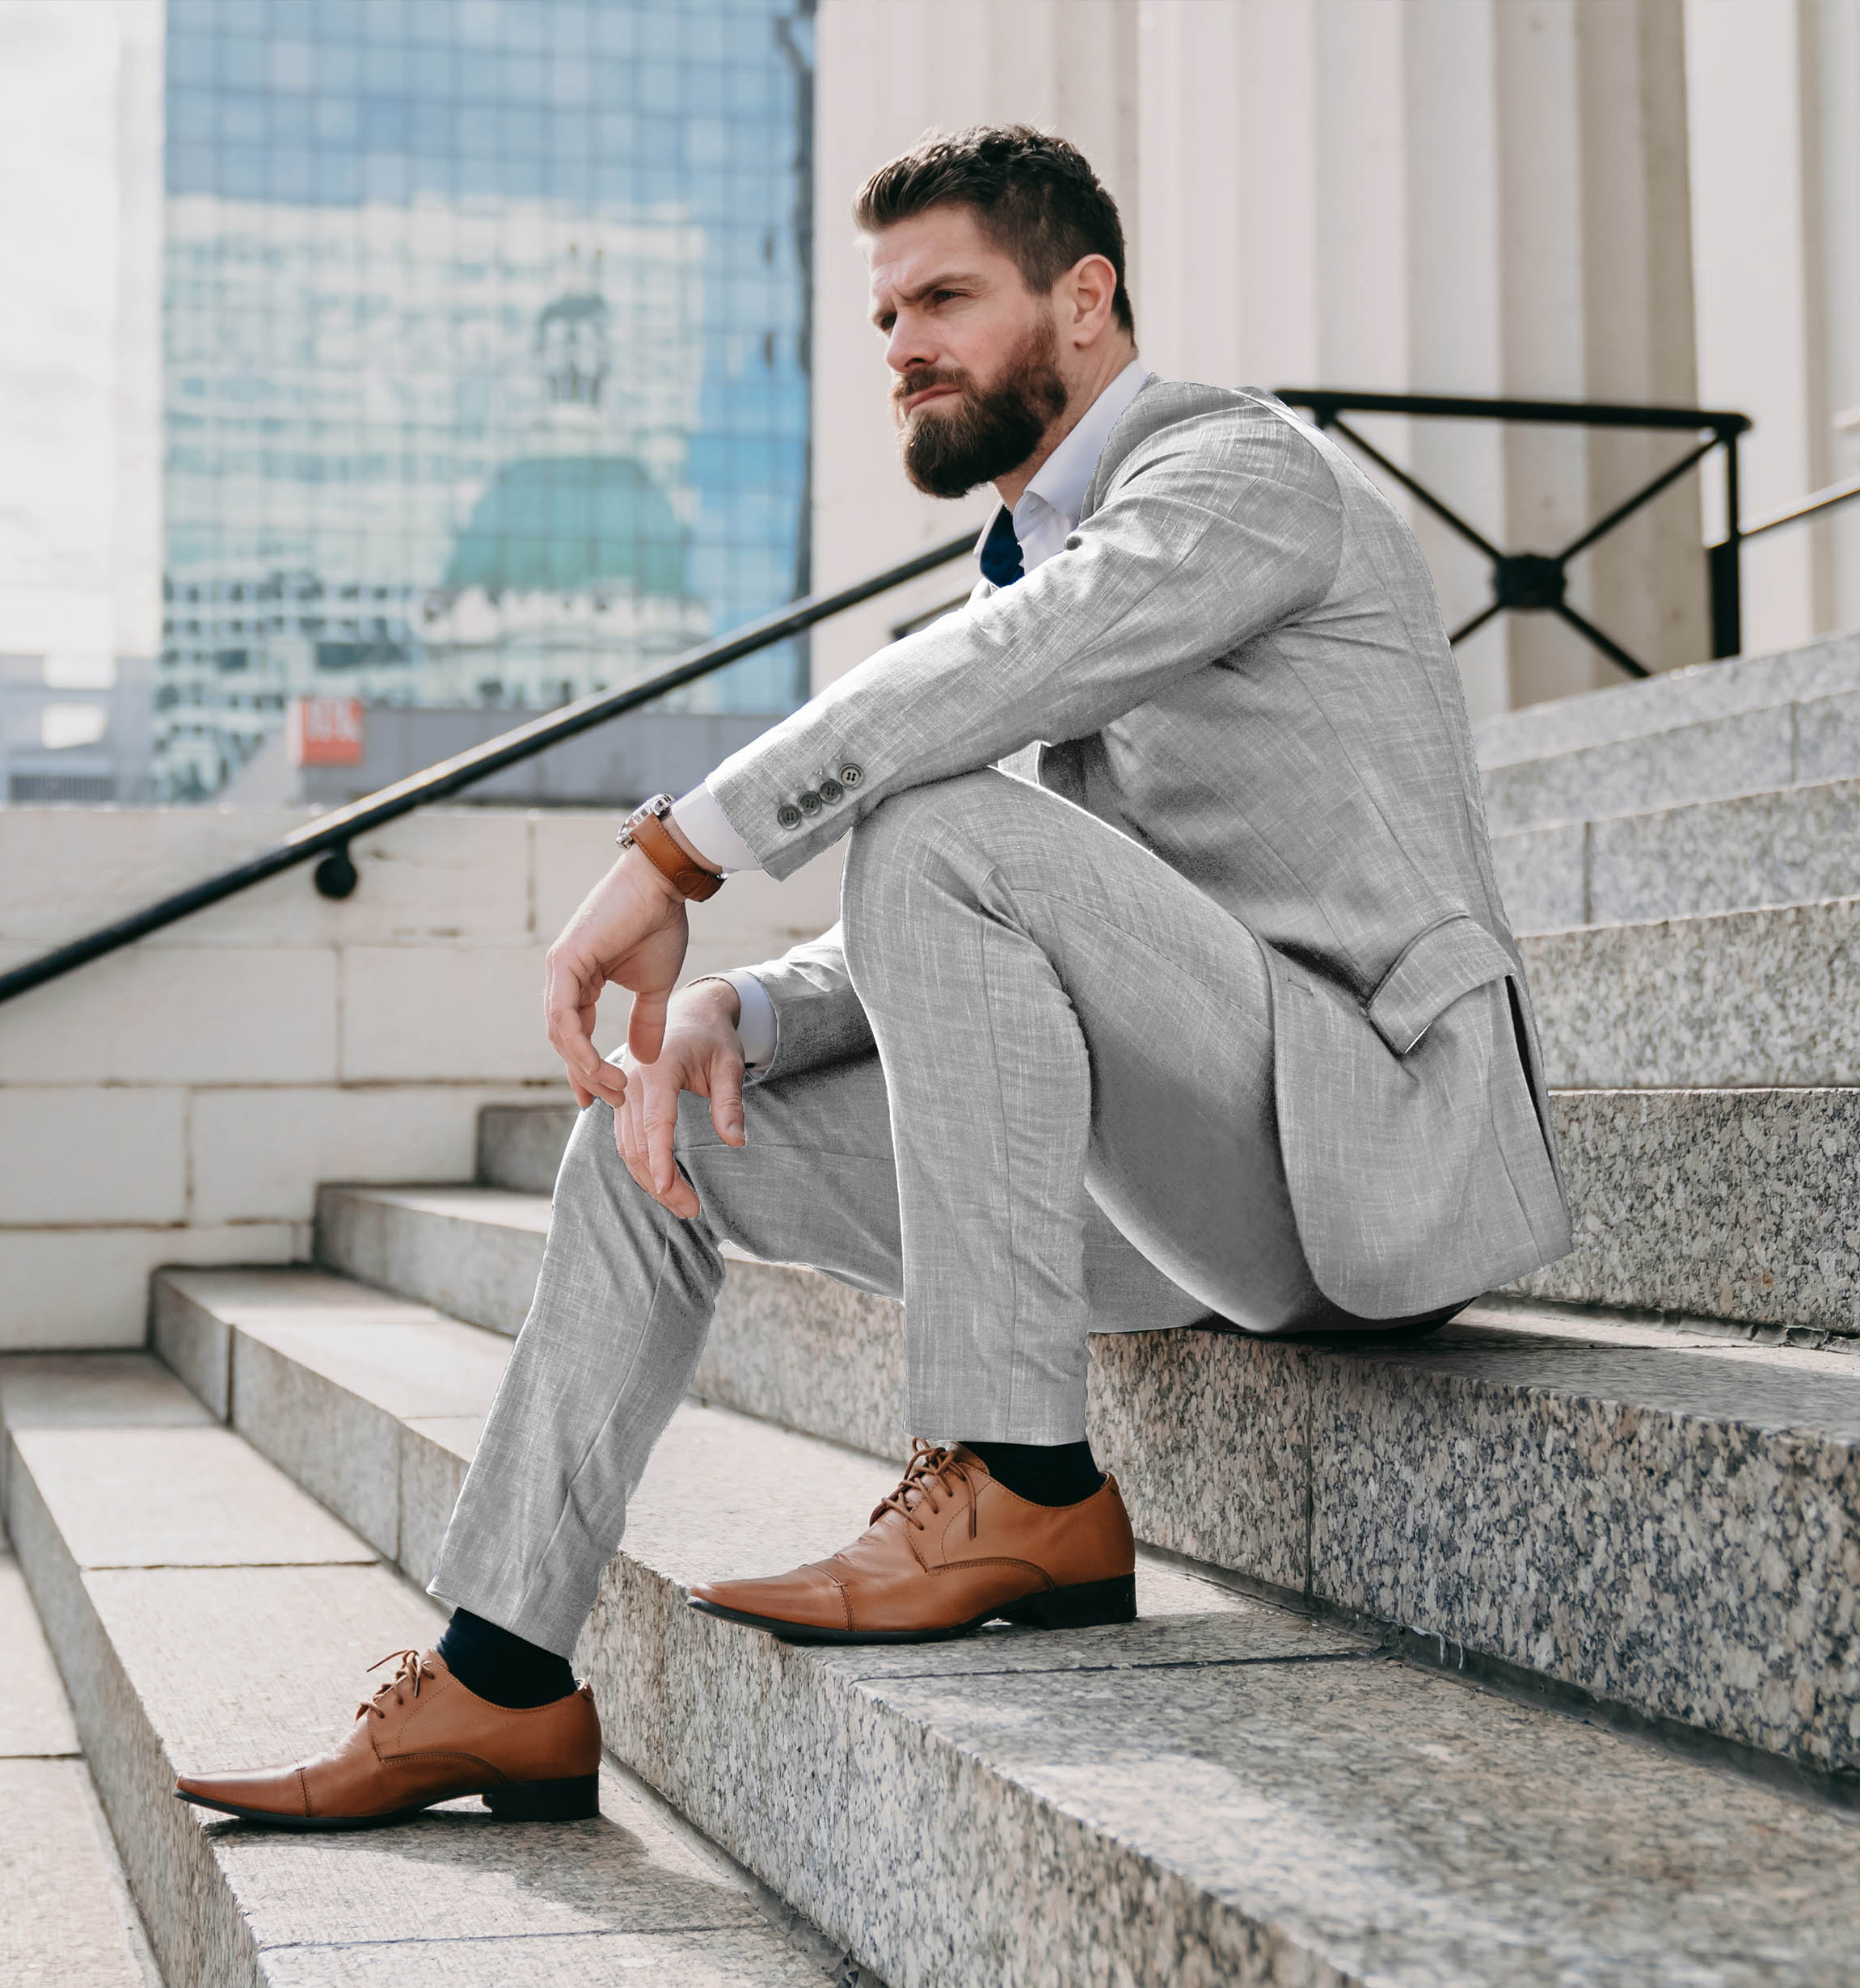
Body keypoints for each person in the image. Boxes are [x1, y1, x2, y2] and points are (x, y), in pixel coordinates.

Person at [176, 124, 1570, 1830]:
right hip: (1194, 1166)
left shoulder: (1237, 478)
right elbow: (1026, 907)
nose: (905, 343)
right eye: (886, 311)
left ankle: (1015, 1476)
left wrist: (680, 849)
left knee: (924, 805)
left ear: (1082, 297)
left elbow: (986, 738)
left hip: (1365, 1143)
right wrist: (739, 1009)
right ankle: (497, 1676)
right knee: (648, 1145)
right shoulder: (1034, 557)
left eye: (947, 298)